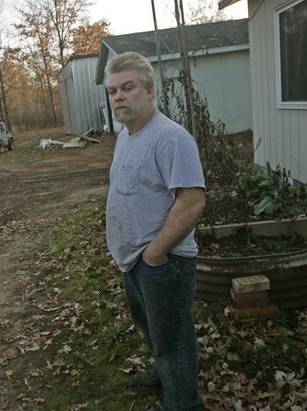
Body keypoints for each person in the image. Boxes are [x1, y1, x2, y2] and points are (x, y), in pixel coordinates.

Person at [104, 51, 206, 411]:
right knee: (153, 331)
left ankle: (182, 404)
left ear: (149, 91)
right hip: (134, 260)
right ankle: (167, 378)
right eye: (113, 90)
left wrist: (156, 253)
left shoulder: (170, 138)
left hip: (162, 263)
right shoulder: (127, 136)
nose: (118, 96)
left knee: (173, 339)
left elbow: (192, 201)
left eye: (127, 88)